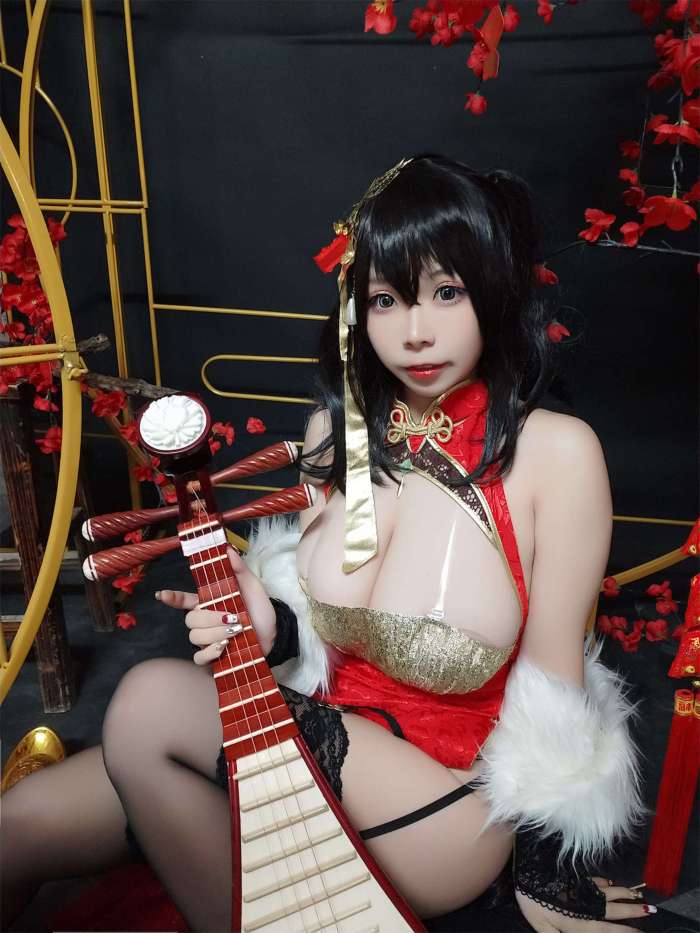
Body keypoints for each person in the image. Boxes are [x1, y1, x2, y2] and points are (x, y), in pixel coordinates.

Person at [2, 154, 651, 933]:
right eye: (386, 300)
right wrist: (268, 625)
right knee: (16, 828)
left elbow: (555, 685)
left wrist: (546, 876)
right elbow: (319, 625)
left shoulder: (554, 453)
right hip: (312, 734)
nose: (415, 332)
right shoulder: (333, 433)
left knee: (147, 705)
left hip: (441, 806)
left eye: (447, 292)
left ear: (493, 289)